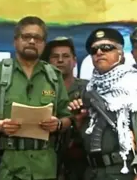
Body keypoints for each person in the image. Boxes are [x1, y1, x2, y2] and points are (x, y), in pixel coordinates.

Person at [0, 16, 72, 180]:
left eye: (38, 38)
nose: (32, 41)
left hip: (44, 168)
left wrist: (58, 124)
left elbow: (67, 117)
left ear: (43, 44)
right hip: (8, 168)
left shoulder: (53, 76)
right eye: (26, 37)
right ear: (15, 41)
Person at [69, 27, 137, 180]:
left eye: (107, 48)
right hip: (93, 172)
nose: (99, 52)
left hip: (124, 171)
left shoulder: (135, 85)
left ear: (120, 53)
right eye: (94, 50)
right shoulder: (89, 90)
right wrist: (79, 122)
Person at [40, 36, 88, 180]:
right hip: (46, 158)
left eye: (66, 56)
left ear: (74, 61)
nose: (60, 60)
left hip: (80, 161)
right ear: (48, 62)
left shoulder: (88, 89)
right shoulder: (39, 89)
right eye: (55, 56)